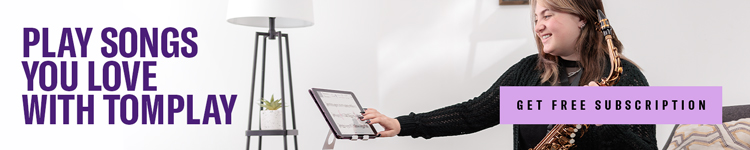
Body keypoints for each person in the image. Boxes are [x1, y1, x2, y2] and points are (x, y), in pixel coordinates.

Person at [359, 0, 657, 149]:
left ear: (580, 16)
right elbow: (472, 113)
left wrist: (606, 123)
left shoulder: (625, 78)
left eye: (547, 15)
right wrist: (401, 123)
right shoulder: (530, 70)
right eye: (536, 18)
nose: (538, 26)